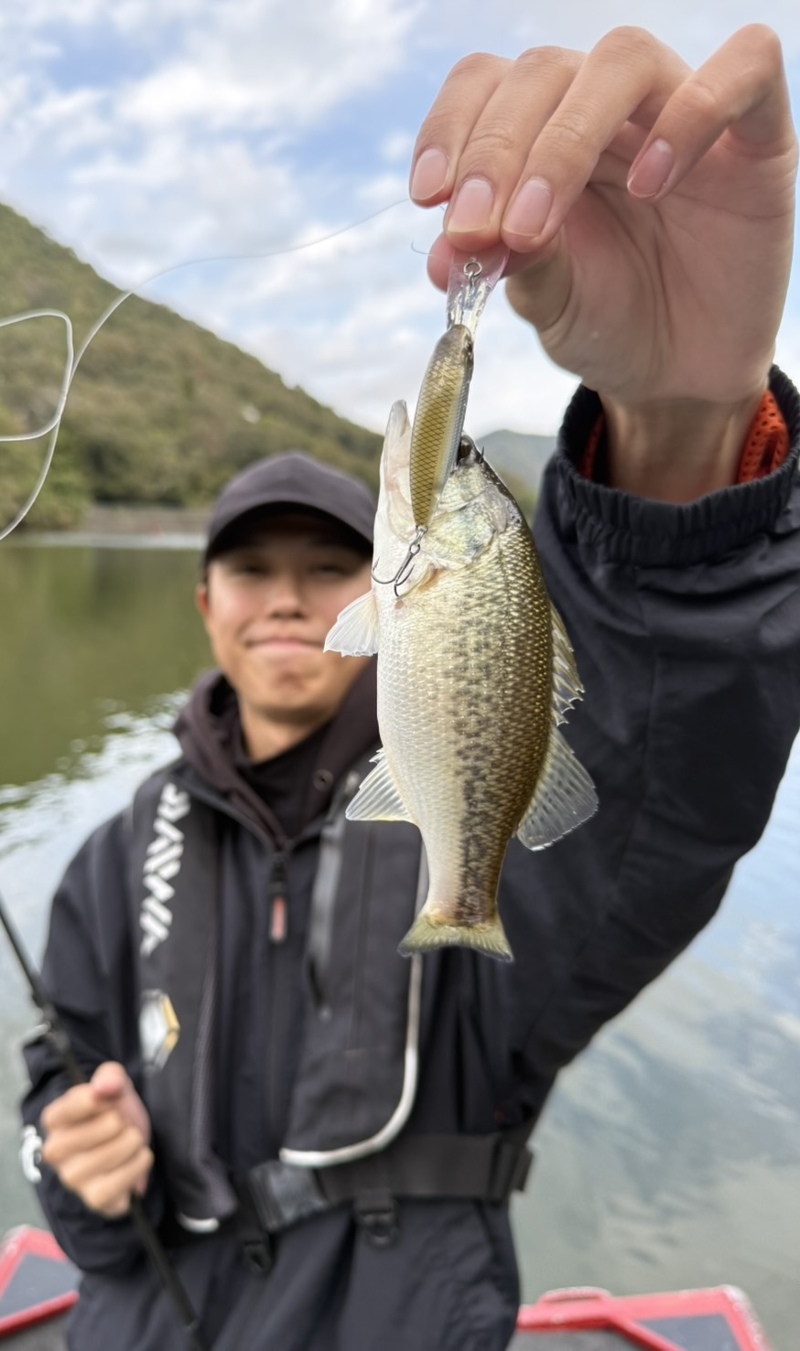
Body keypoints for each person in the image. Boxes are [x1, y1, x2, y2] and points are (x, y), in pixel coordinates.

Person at [21, 23, 800, 1351]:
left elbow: (665, 792)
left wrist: (686, 422)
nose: (285, 598)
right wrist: (73, 1167)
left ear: (377, 597)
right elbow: (57, 1093)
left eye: (327, 567)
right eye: (249, 569)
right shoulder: (108, 865)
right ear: (204, 605)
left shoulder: (468, 823)